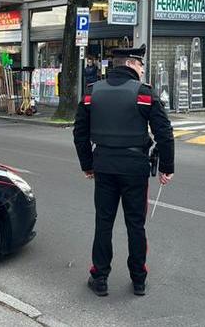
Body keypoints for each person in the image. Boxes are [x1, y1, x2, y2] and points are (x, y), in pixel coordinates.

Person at [73, 44, 175, 297]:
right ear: (130, 63)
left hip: (104, 167)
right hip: (135, 169)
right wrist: (167, 168)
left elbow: (80, 134)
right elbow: (164, 133)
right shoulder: (143, 94)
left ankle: (100, 278)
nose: (142, 70)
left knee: (103, 223)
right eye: (141, 65)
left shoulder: (91, 93)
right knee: (136, 225)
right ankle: (138, 280)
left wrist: (87, 165)